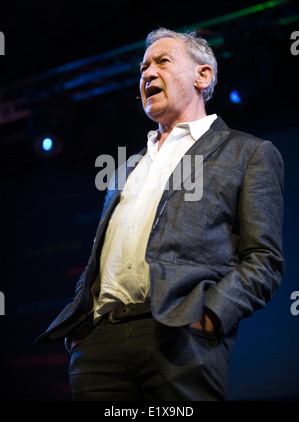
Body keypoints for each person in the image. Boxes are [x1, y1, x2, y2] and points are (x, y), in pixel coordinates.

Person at [37, 28, 284, 401]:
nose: (147, 74)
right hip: (100, 345)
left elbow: (263, 259)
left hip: (180, 338)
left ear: (203, 76)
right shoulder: (127, 167)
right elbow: (101, 256)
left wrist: (210, 317)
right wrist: (85, 327)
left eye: (162, 62)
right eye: (143, 68)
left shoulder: (248, 153)